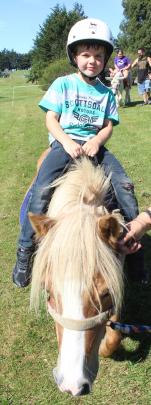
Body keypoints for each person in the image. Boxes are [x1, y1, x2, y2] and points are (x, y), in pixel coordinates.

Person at [12, 18, 145, 288]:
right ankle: (25, 251)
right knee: (40, 192)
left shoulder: (106, 93)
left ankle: (133, 252)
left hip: (95, 147)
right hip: (65, 144)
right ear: (74, 56)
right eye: (85, 54)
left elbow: (108, 125)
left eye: (98, 55)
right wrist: (66, 141)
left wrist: (97, 141)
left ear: (106, 58)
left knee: (125, 188)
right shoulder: (63, 84)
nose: (92, 61)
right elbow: (51, 119)